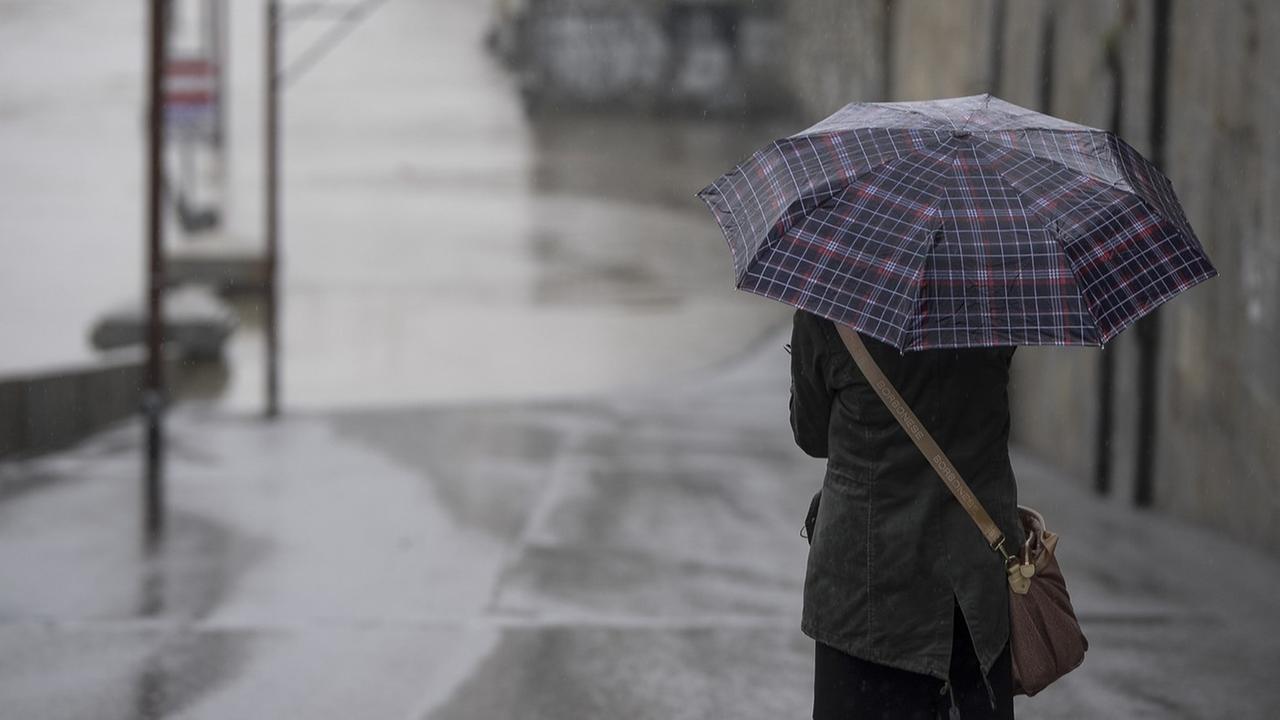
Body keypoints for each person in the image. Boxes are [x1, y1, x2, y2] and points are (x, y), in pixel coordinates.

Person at [788, 308, 1022, 720]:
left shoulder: (830, 306)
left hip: (862, 595)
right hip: (971, 591)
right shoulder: (994, 305)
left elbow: (812, 434)